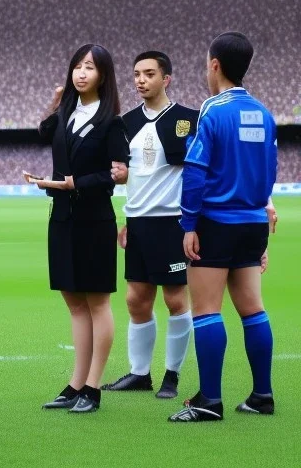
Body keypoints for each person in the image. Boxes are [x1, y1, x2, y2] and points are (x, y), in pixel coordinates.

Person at [168, 31, 277, 422]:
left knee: (207, 311)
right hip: (252, 223)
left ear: (215, 64)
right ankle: (262, 395)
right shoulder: (263, 113)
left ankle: (209, 402)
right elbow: (269, 174)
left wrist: (188, 224)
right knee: (252, 309)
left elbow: (195, 173)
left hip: (216, 222)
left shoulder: (213, 110)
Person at [26, 44, 129, 413]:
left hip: (95, 219)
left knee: (97, 302)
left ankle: (93, 388)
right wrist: (55, 104)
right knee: (73, 303)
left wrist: (77, 183)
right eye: (77, 66)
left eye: (89, 67)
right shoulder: (67, 112)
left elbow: (117, 174)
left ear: (103, 75)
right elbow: (42, 133)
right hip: (63, 219)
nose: (81, 73)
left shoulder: (111, 122)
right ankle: (75, 384)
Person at [102, 51, 198, 398]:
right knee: (136, 300)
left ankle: (171, 376)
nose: (140, 80)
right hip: (139, 222)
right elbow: (132, 173)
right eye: (137, 74)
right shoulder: (125, 122)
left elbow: (200, 172)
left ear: (166, 79)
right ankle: (140, 373)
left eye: (149, 74)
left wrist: (193, 222)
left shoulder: (189, 119)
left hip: (172, 222)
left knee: (175, 300)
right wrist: (128, 217)